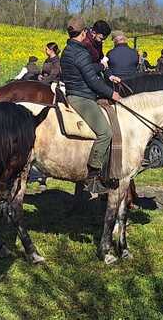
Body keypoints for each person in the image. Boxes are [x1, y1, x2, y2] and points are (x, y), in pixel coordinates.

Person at [61, 17, 120, 196]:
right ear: (85, 32)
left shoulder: (70, 49)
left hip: (76, 92)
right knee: (106, 133)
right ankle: (93, 175)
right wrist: (112, 94)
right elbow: (92, 80)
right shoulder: (81, 52)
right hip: (82, 97)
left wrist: (107, 74)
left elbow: (96, 70)